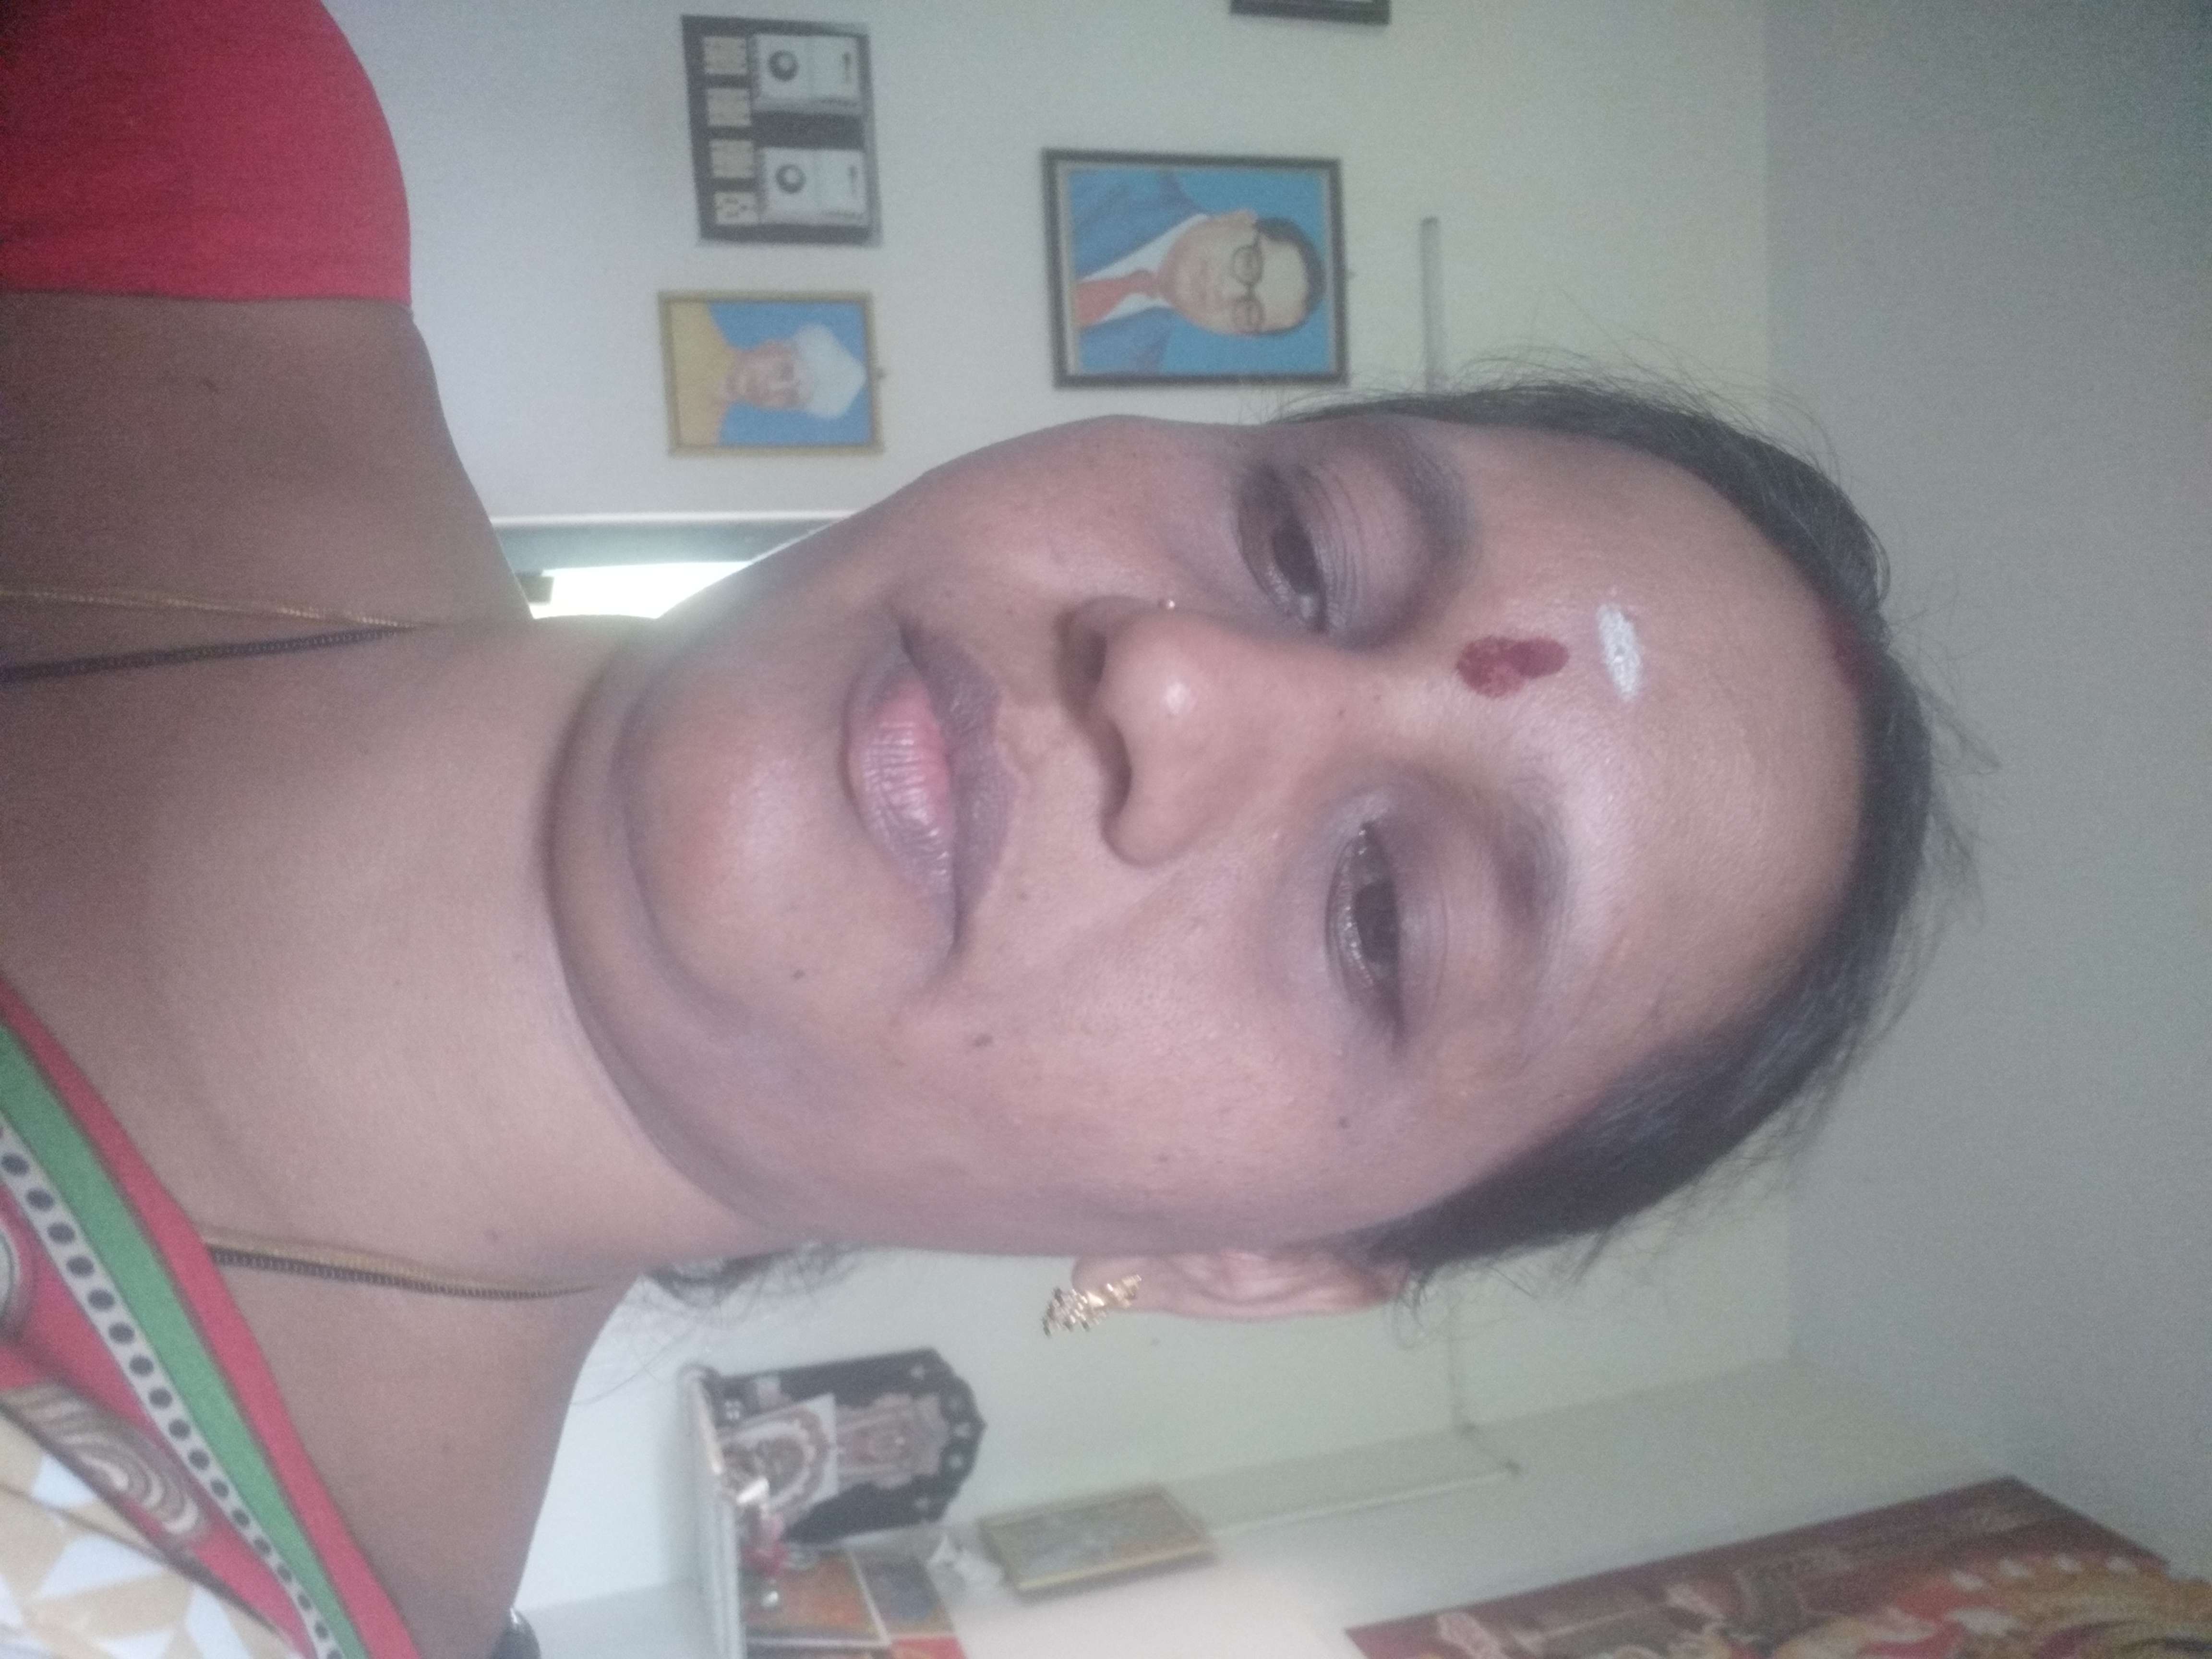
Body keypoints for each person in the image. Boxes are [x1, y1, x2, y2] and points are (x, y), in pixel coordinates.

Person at [0, 0, 1948, 1655]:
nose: (1178, 684)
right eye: (1297, 541)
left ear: (1267, 1256)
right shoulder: (169, 90)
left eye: (1381, 909)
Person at [1064, 166, 1325, 373]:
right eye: (1249, 265)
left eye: (1249, 311)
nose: (1225, 291)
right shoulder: (1114, 173)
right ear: (1236, 220)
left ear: (1239, 335)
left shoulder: (1134, 370)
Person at [665, 300, 870, 449]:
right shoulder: (685, 317)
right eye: (784, 372)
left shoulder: (699, 440)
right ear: (772, 345)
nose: (773, 389)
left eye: (789, 398)